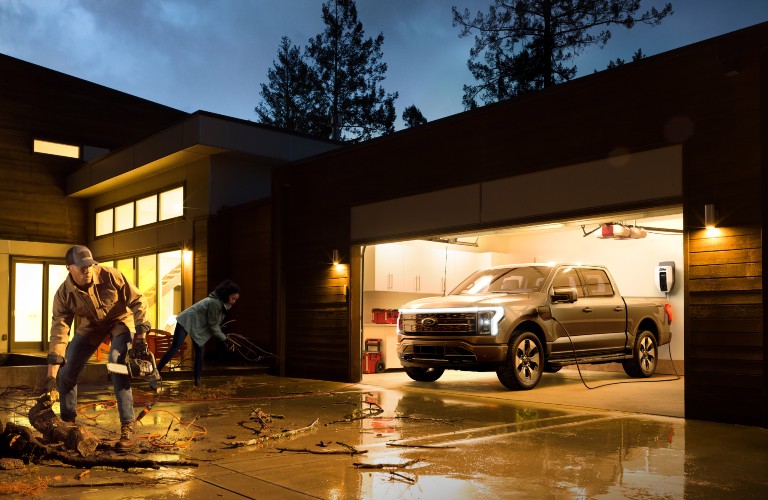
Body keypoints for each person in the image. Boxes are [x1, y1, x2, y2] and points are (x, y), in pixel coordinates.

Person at [44, 245, 151, 452]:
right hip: (90, 327)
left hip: (120, 322)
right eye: (81, 267)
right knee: (66, 372)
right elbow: (59, 331)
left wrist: (141, 337)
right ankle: (69, 426)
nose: (88, 270)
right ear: (69, 268)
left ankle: (128, 426)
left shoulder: (112, 276)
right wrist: (50, 377)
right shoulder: (63, 295)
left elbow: (138, 300)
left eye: (90, 265)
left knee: (115, 364)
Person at [156, 279, 240, 386]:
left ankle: (197, 382)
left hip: (197, 326)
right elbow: (213, 325)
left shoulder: (222, 304)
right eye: (232, 298)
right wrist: (225, 339)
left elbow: (213, 324)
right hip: (186, 321)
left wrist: (224, 338)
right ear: (225, 295)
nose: (234, 302)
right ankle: (156, 373)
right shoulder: (214, 303)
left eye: (235, 300)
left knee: (200, 353)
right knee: (175, 347)